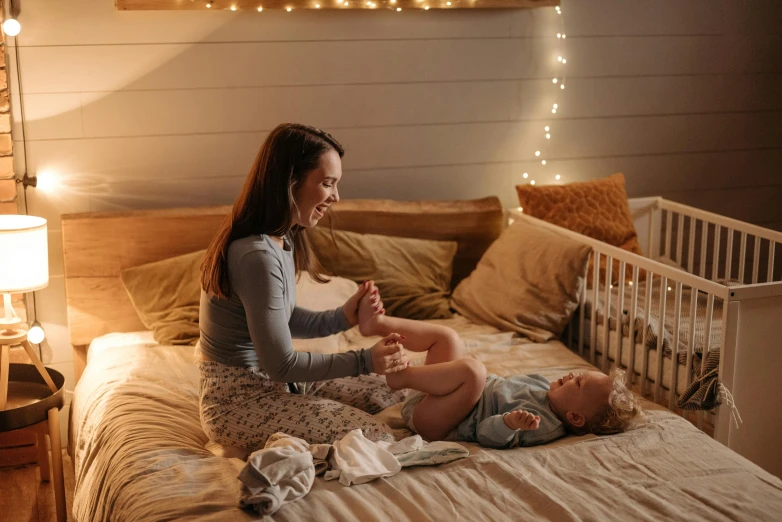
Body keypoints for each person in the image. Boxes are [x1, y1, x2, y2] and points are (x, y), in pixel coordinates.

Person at [197, 123, 414, 451]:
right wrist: (365, 359)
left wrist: (342, 317)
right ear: (290, 183)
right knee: (377, 436)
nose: (336, 197)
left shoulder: (281, 238)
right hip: (239, 402)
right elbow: (280, 364)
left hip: (281, 385)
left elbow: (279, 318)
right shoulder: (254, 255)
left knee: (397, 393)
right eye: (327, 183)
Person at [354, 292, 642, 448]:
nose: (570, 376)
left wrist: (509, 424)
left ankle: (399, 376)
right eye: (578, 375)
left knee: (474, 371)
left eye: (577, 384)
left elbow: (485, 433)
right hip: (442, 397)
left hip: (439, 423)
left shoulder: (541, 425)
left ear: (575, 417)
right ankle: (377, 325)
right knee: (449, 338)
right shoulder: (543, 385)